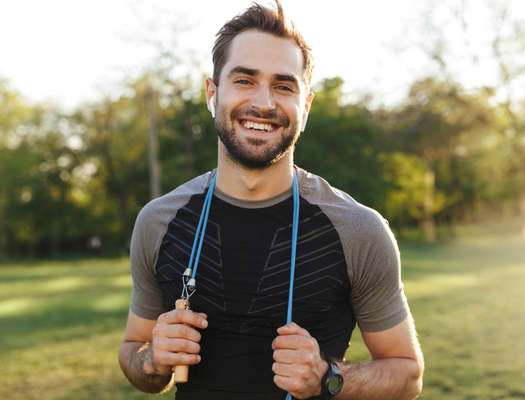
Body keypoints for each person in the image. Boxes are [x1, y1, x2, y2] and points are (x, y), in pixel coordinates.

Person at [117, 1, 424, 399]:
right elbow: (133, 353)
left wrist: (328, 377)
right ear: (213, 92)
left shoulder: (358, 229)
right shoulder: (158, 221)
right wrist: (153, 359)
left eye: (283, 86)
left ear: (306, 105)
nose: (263, 103)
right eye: (244, 80)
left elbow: (407, 375)